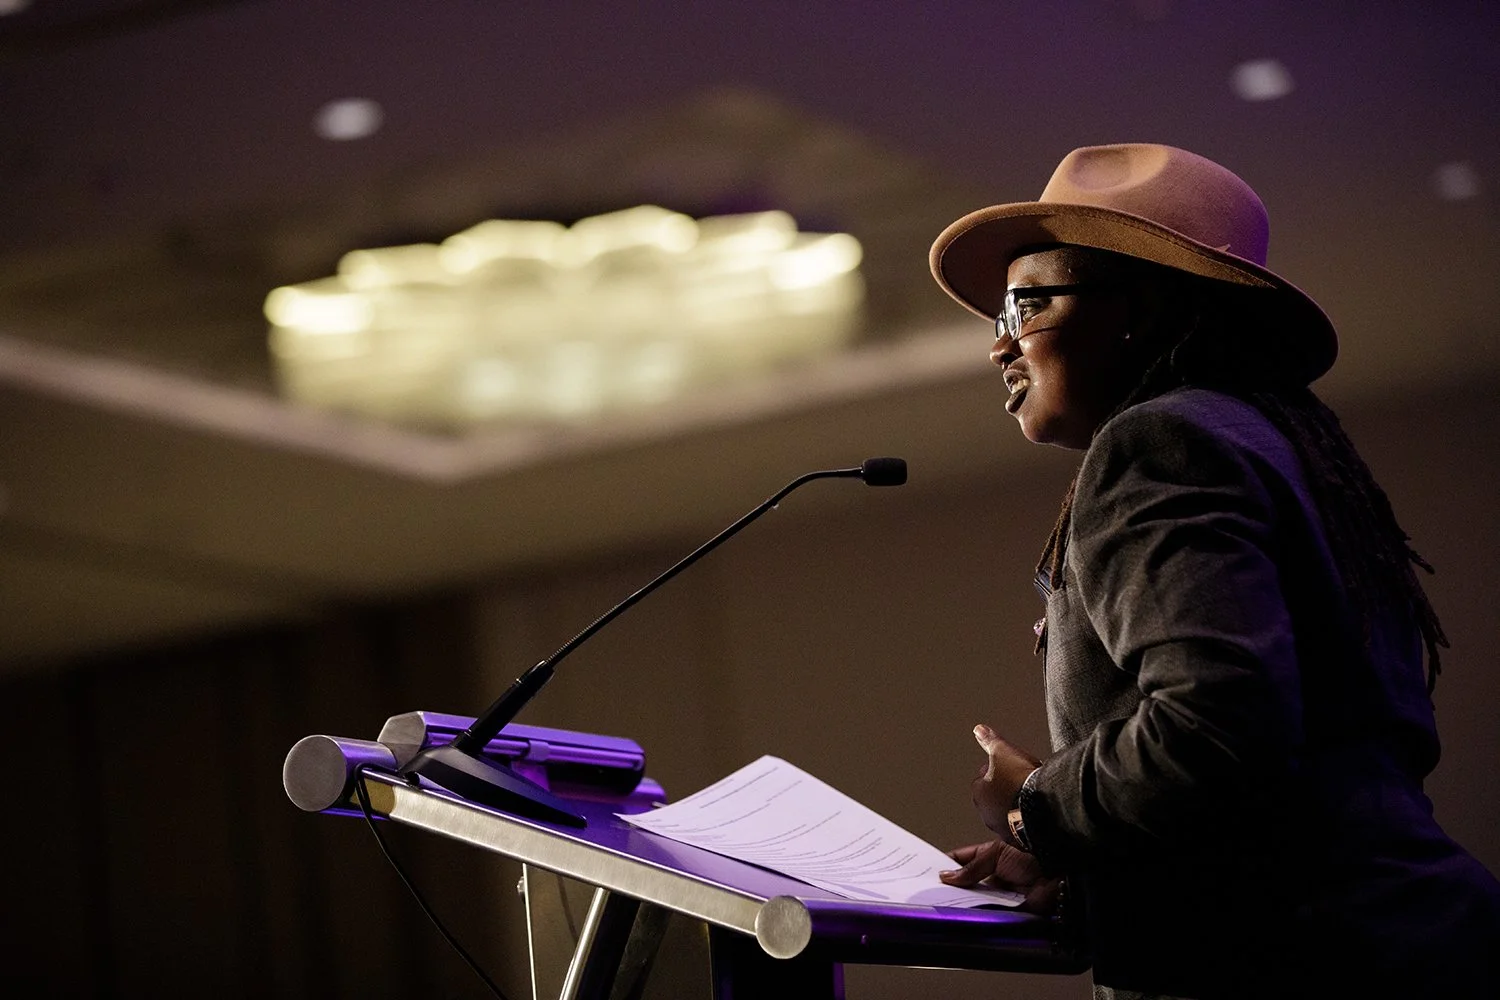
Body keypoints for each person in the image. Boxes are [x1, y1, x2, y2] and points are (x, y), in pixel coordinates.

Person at [927, 144, 1500, 999]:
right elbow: (1284, 786)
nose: (999, 347)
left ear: (1142, 307)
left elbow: (1217, 726)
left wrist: (1035, 805)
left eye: (1025, 305)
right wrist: (1090, 880)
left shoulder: (1160, 441)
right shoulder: (1274, 442)